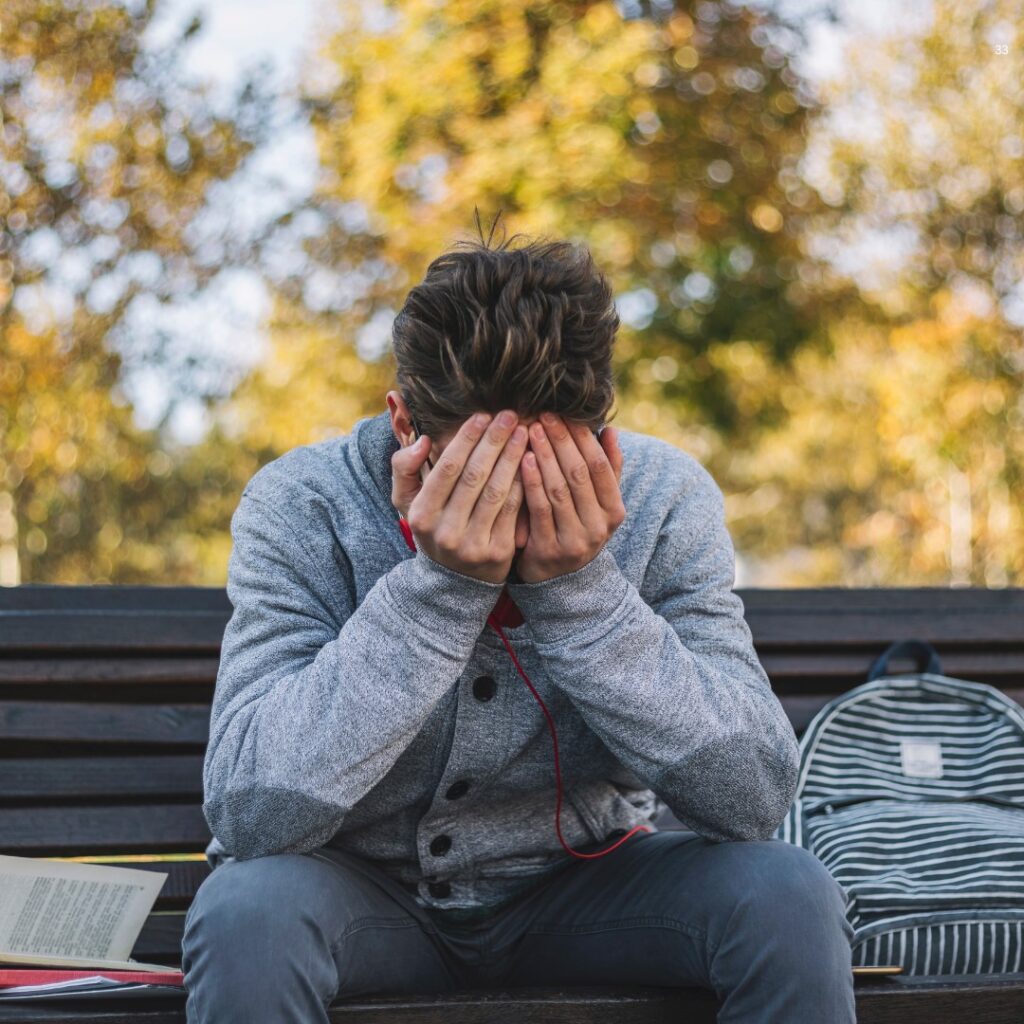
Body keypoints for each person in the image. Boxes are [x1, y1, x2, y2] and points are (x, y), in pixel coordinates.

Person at [181, 227, 856, 1023]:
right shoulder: (300, 504)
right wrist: (439, 589)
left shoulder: (667, 496)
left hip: (590, 893)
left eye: (543, 474)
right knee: (247, 913)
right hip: (361, 898)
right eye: (474, 475)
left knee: (786, 892)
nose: (509, 507)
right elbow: (252, 813)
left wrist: (583, 596)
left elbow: (752, 799)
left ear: (601, 440)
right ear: (404, 425)